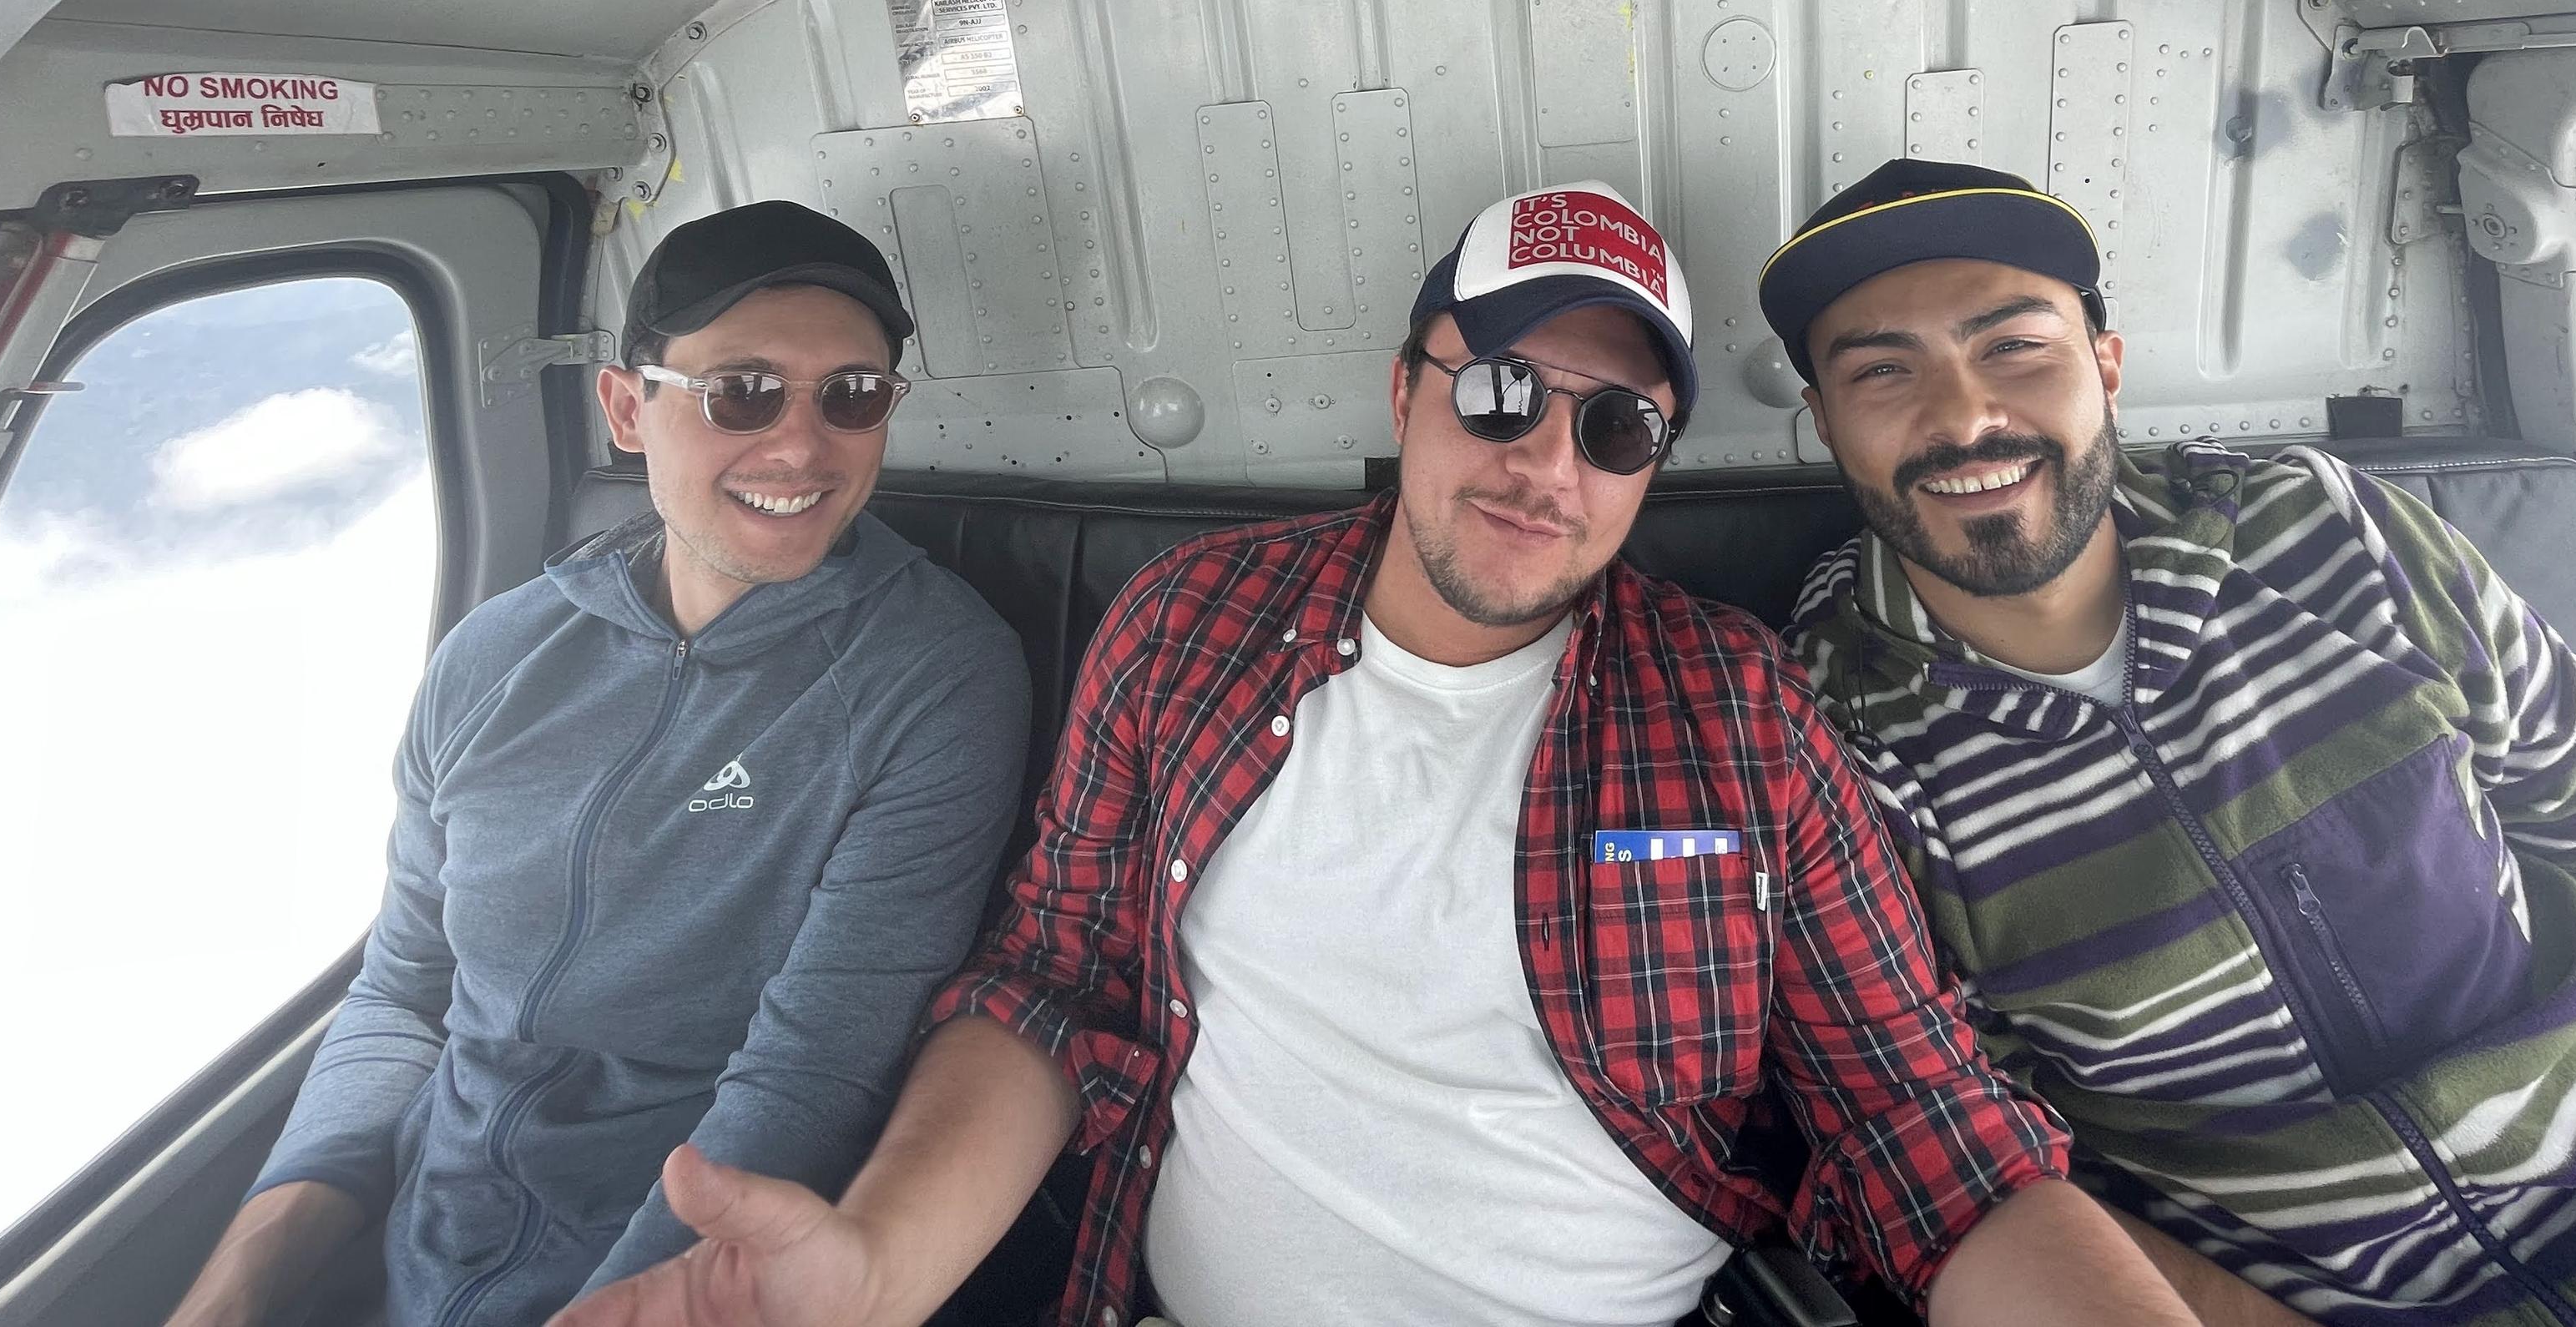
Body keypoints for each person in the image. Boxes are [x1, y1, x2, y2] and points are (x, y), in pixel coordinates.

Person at [553, 181, 2199, 1327]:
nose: (1546, 459)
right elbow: (1055, 984)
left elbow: (1934, 1135)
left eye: (1615, 423)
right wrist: (881, 1268)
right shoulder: (1192, 626)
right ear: (1405, 386)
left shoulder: (1743, 712)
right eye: (1497, 388)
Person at [1756, 156, 2576, 1327]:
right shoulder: (1828, 724)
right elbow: (1988, 1157)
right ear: (1824, 424)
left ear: (2108, 368)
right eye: (1883, 372)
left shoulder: (2327, 534)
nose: (1966, 416)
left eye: (2016, 346)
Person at [168, 201, 1030, 1327]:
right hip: (413, 1250)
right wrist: (249, 1270)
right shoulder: (493, 657)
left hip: (678, 1271)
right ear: (628, 408)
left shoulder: (935, 676)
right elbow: (405, 991)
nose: (802, 446)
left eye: (853, 397)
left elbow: (815, 1072)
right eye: (744, 391)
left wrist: (627, 1301)